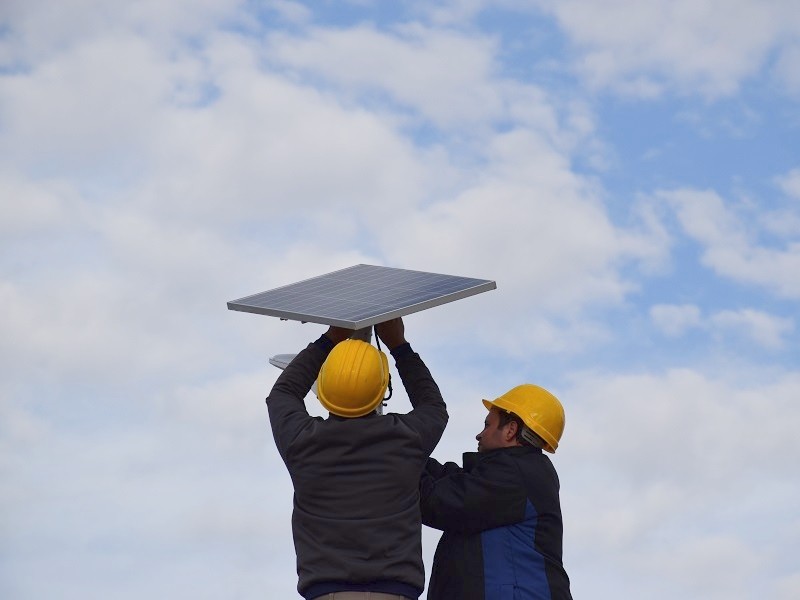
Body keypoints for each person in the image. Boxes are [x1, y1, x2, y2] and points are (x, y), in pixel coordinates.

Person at [266, 317, 448, 600]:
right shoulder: (406, 438)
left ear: (324, 387)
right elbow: (433, 406)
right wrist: (399, 346)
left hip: (326, 591)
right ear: (381, 386)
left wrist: (330, 339)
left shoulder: (302, 442)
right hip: (395, 591)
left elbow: (282, 395)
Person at [419, 384, 572, 600]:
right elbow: (449, 478)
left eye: (487, 425)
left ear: (510, 430)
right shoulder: (518, 474)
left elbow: (435, 501)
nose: (479, 435)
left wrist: (390, 454)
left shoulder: (514, 475)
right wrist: (404, 451)